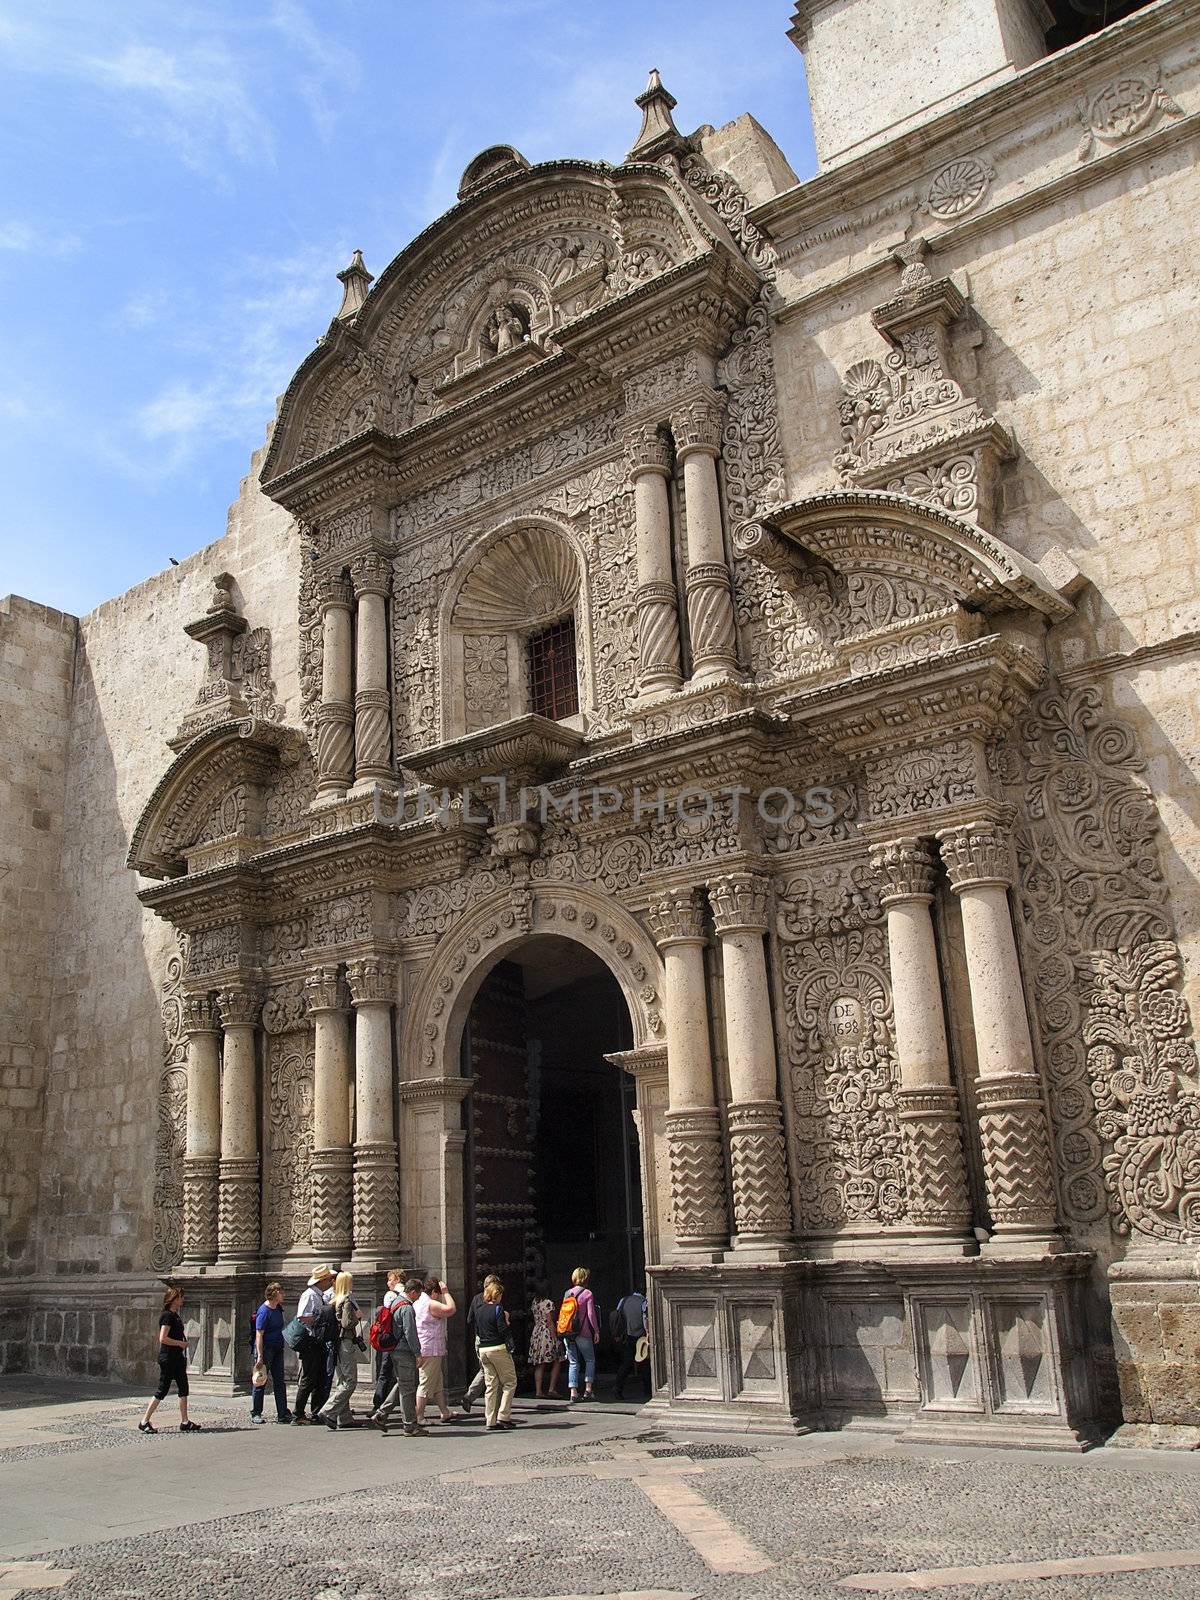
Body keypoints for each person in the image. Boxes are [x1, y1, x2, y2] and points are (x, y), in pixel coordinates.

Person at [369, 1278, 427, 1437]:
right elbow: (410, 1332)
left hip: (394, 1350)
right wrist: (418, 1353)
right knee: (408, 1389)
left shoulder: (395, 1302)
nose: (419, 1297)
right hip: (404, 1351)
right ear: (413, 1292)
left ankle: (381, 1414)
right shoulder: (407, 1308)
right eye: (419, 1294)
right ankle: (410, 1426)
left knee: (402, 1384)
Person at [139, 1286, 200, 1433]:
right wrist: (180, 1343)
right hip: (168, 1358)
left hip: (177, 1357)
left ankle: (185, 1421)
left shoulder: (175, 1316)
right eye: (180, 1297)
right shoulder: (167, 1316)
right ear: (174, 1299)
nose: (183, 1299)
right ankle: (144, 1421)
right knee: (162, 1390)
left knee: (183, 1388)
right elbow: (163, 1338)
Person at [292, 1263, 336, 1424]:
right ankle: (297, 1414)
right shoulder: (310, 1295)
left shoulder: (319, 1295)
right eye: (329, 1279)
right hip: (310, 1341)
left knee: (319, 1377)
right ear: (321, 1280)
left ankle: (316, 1411)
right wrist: (321, 1319)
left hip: (318, 1341)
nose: (331, 1282)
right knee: (308, 1378)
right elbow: (302, 1317)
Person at [472, 1277, 517, 1431]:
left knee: (491, 1385)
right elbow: (502, 1329)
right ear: (496, 1295)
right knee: (510, 1382)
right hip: (497, 1348)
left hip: (483, 1349)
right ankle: (503, 1416)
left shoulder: (479, 1310)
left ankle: (490, 1420)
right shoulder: (497, 1309)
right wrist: (508, 1329)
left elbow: (476, 1327)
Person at [413, 1273, 458, 1424]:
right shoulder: (431, 1304)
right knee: (425, 1383)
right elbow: (451, 1309)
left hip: (427, 1347)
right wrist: (446, 1292)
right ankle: (418, 1416)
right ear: (434, 1292)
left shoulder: (418, 1302)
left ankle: (444, 1412)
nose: (438, 1297)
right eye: (438, 1294)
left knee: (437, 1382)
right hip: (430, 1349)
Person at [323, 1271, 363, 1430]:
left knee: (341, 1380)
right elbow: (347, 1323)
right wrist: (357, 1316)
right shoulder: (346, 1301)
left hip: (335, 1343)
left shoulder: (333, 1300)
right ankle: (328, 1410)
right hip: (345, 1342)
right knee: (350, 1381)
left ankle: (344, 1417)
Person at [459, 1272, 500, 1416]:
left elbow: (469, 1320)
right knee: (493, 1372)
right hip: (494, 1341)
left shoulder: (476, 1299)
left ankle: (470, 1397)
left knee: (485, 1370)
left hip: (479, 1339)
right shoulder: (494, 1300)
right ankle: (494, 1406)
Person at [251, 1282, 291, 1424]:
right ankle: (256, 1412)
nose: (284, 1295)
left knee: (280, 1381)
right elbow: (259, 1334)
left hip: (277, 1348)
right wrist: (260, 1355)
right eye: (281, 1292)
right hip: (266, 1349)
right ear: (274, 1294)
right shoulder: (264, 1311)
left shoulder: (278, 1309)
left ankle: (282, 1413)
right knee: (260, 1380)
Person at [563, 1266, 599, 1404]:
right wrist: (596, 1330)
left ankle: (573, 1392)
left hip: (568, 1332)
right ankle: (588, 1390)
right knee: (590, 1360)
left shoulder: (567, 1293)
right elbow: (591, 1314)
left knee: (573, 1361)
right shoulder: (588, 1293)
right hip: (583, 1332)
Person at [372, 1268, 404, 1410]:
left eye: (390, 1279)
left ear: (397, 1279)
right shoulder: (408, 1294)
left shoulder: (390, 1295)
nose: (388, 1282)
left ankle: (378, 1403)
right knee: (403, 1374)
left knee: (385, 1371)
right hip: (402, 1338)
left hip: (389, 1337)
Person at [527, 1281, 564, 1399]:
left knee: (539, 1363)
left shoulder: (534, 1302)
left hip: (536, 1332)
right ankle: (551, 1389)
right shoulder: (548, 1303)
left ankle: (538, 1391)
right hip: (546, 1334)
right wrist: (556, 1339)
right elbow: (550, 1322)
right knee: (558, 1359)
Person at [613, 1287, 651, 1402]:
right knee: (645, 1363)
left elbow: (617, 1315)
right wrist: (648, 1333)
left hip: (626, 1336)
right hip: (641, 1336)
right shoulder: (644, 1302)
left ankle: (617, 1389)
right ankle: (648, 1391)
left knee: (626, 1364)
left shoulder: (623, 1300)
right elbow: (645, 1318)